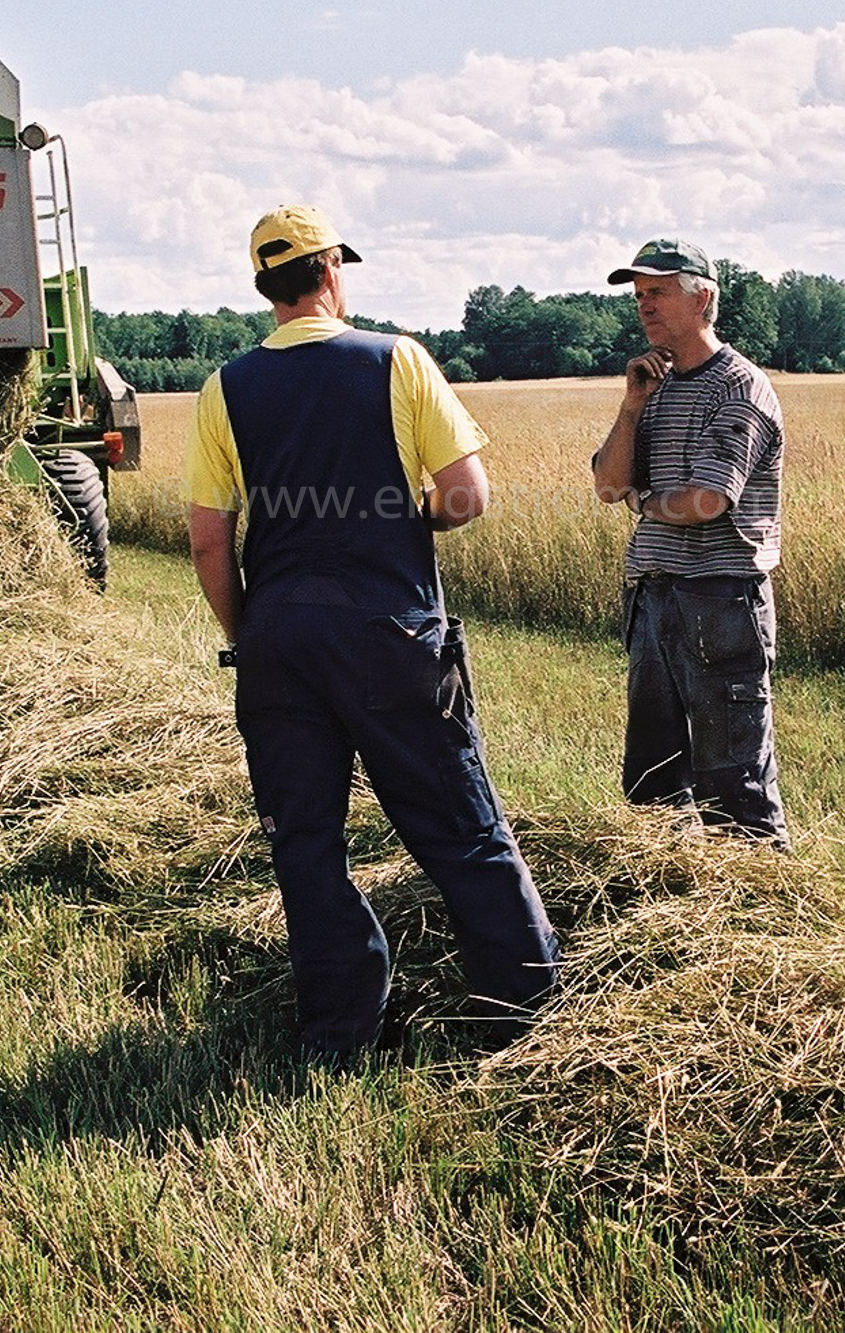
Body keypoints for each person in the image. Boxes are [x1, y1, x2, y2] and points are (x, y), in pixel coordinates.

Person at [186, 205, 560, 1063]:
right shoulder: (397, 360)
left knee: (307, 843)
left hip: (279, 644)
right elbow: (466, 495)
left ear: (264, 288)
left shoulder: (225, 388)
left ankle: (340, 1034)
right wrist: (403, 519)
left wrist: (253, 633)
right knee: (459, 827)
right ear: (329, 273)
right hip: (391, 637)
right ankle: (525, 1010)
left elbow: (211, 539)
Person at [590, 238, 790, 846]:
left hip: (720, 600)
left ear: (702, 297)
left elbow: (707, 500)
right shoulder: (654, 387)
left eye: (658, 292)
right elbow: (608, 483)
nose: (644, 306)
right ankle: (668, 902)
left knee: (733, 776)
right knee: (654, 776)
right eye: (639, 295)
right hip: (655, 594)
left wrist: (646, 504)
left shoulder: (739, 388)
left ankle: (761, 916)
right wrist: (630, 407)